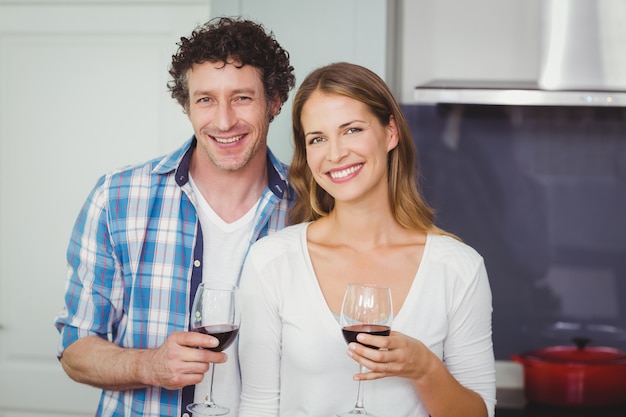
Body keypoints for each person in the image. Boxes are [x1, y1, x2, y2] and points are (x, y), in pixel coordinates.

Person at [54, 17, 295, 417]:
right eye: (205, 100)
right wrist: (149, 365)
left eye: (242, 98)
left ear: (274, 101)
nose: (223, 121)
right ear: (187, 106)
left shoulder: (311, 207)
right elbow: (75, 351)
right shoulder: (117, 198)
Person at [237, 62, 496, 417]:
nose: (335, 153)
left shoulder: (459, 269)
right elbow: (258, 407)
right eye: (317, 139)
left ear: (390, 132)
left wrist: (424, 367)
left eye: (352, 130)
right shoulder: (270, 262)